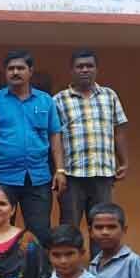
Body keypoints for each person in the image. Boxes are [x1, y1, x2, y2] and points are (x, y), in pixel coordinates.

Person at [0, 50, 66, 244]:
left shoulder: (46, 101)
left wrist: (59, 169)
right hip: (1, 177)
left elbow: (54, 135)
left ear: (30, 71)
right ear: (5, 72)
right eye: (11, 69)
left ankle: (39, 274)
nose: (15, 72)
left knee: (40, 233)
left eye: (20, 68)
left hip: (38, 177)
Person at [53, 49, 129, 229]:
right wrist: (59, 170)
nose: (85, 70)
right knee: (69, 227)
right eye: (80, 66)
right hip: (72, 175)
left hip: (102, 173)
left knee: (102, 225)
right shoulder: (58, 100)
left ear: (96, 69)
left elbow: (118, 130)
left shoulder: (109, 96)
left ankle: (99, 259)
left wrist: (124, 162)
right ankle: (68, 258)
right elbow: (55, 138)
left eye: (89, 66)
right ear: (71, 70)